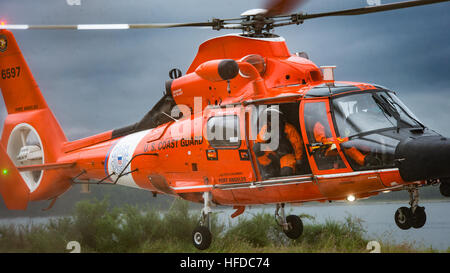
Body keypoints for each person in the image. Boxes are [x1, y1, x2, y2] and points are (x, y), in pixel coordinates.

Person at [254, 107, 305, 178]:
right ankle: (269, 168)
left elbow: (297, 145)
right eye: (267, 120)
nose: (268, 122)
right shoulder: (266, 129)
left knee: (286, 172)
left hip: (286, 155)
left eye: (270, 119)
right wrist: (266, 134)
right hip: (273, 154)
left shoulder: (288, 129)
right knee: (257, 147)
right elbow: (258, 143)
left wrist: (299, 159)